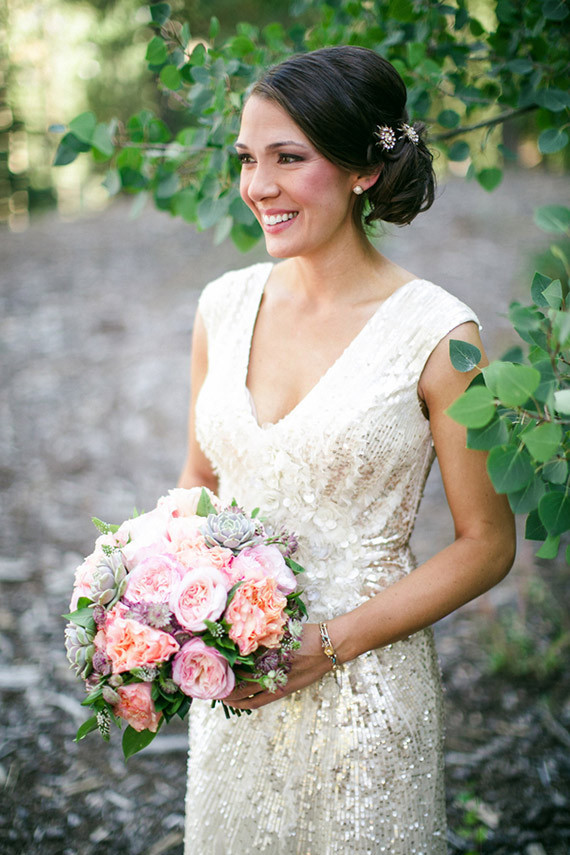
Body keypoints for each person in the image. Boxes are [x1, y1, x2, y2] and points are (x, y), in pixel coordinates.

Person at [178, 45, 515, 854]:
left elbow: (488, 543)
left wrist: (331, 645)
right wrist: (159, 606)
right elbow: (200, 477)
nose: (259, 186)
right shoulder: (222, 306)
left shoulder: (439, 334)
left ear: (363, 168)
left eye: (288, 158)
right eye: (247, 159)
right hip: (235, 679)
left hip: (367, 686)